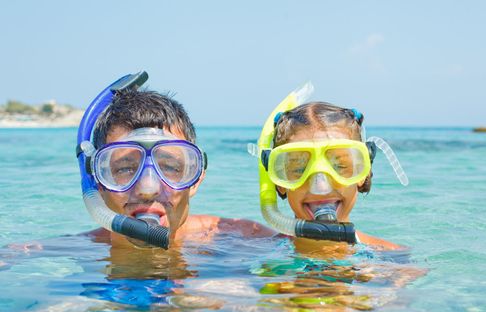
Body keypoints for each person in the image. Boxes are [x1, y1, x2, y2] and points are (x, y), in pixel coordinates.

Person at [77, 72, 274, 249]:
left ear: (196, 178)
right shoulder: (63, 253)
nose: (148, 189)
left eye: (170, 167)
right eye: (125, 169)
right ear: (98, 182)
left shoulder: (249, 240)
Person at [254, 84, 409, 253]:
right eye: (298, 169)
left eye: (341, 165)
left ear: (362, 172)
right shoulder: (253, 247)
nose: (320, 187)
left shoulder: (393, 260)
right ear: (279, 181)